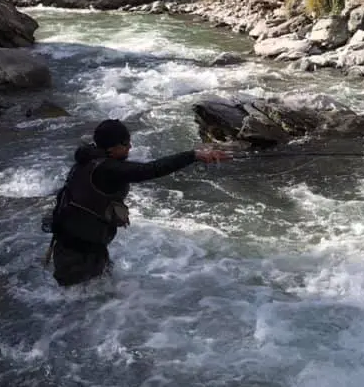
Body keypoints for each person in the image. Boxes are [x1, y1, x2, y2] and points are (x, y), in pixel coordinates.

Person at [44, 118, 230, 287]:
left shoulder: (88, 160)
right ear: (112, 148)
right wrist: (194, 155)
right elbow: (150, 170)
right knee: (82, 305)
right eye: (126, 144)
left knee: (91, 298)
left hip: (75, 247)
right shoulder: (106, 169)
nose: (130, 147)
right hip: (79, 255)